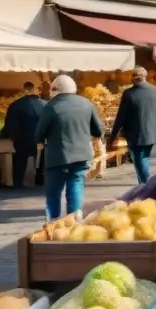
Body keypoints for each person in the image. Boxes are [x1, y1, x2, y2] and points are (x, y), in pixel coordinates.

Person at [34, 75, 103, 221]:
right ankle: (75, 218)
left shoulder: (51, 107)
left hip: (57, 156)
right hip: (82, 155)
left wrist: (39, 141)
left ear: (55, 89)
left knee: (54, 190)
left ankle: (54, 219)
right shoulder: (87, 104)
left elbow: (39, 132)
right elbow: (97, 130)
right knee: (76, 184)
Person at [109, 67, 156, 185]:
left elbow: (121, 116)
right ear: (145, 76)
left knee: (140, 160)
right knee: (143, 158)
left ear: (133, 77)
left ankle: (145, 186)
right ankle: (144, 185)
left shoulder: (129, 94)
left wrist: (112, 136)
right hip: (151, 133)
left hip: (133, 134)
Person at [3, 81, 45, 187]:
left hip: (22, 140)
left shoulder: (15, 105)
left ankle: (17, 183)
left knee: (19, 162)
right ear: (34, 90)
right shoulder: (46, 105)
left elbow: (10, 124)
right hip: (42, 141)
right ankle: (40, 182)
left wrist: (12, 136)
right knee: (42, 162)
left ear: (25, 90)